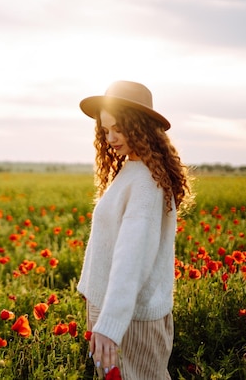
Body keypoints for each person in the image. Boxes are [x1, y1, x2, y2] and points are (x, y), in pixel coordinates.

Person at [76, 80, 192, 379]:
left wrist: (110, 325)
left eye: (119, 129)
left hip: (130, 320)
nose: (111, 138)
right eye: (106, 130)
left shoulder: (144, 182)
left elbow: (132, 260)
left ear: (139, 127)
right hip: (115, 312)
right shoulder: (133, 169)